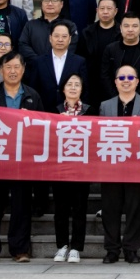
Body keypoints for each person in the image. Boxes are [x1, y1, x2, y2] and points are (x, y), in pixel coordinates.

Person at [0, 51, 42, 262]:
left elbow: (42, 128)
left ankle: (20, 249)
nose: (13, 71)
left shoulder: (32, 96)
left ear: (23, 70)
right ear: (1, 70)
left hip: (22, 161)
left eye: (17, 67)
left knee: (21, 205)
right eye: (8, 67)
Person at [99, 65, 140, 264]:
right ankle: (112, 249)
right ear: (115, 82)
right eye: (121, 77)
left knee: (135, 209)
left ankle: (131, 249)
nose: (126, 81)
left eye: (130, 77)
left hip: (136, 165)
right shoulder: (105, 106)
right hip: (111, 165)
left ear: (137, 81)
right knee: (110, 209)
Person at [51, 74, 90, 263]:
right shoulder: (54, 110)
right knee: (61, 208)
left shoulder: (90, 111)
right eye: (69, 84)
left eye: (77, 84)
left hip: (83, 167)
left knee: (79, 208)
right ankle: (62, 246)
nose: (73, 88)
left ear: (82, 89)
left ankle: (76, 247)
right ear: (63, 89)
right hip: (60, 167)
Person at [27, 19, 87, 113]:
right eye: (56, 36)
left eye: (64, 36)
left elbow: (85, 90)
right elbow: (33, 89)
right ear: (50, 38)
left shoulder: (79, 62)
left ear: (69, 39)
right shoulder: (38, 62)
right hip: (44, 112)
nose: (60, 40)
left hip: (70, 113)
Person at [102, 12, 140, 99]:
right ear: (121, 28)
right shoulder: (110, 49)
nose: (130, 29)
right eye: (126, 26)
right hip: (114, 99)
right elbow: (105, 76)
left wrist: (134, 97)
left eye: (134, 26)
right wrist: (117, 97)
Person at [18, 0, 78, 66]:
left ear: (61, 4)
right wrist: (39, 61)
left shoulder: (70, 26)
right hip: (35, 67)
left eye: (54, 0)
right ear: (41, 4)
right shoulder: (30, 25)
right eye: (46, 0)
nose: (50, 3)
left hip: (61, 68)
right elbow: (23, 45)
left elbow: (72, 47)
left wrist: (53, 61)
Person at [79, 0, 122, 102]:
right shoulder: (87, 33)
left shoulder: (122, 33)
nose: (105, 12)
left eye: (109, 8)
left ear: (116, 11)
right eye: (102, 8)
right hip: (91, 83)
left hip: (115, 84)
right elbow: (81, 58)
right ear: (97, 10)